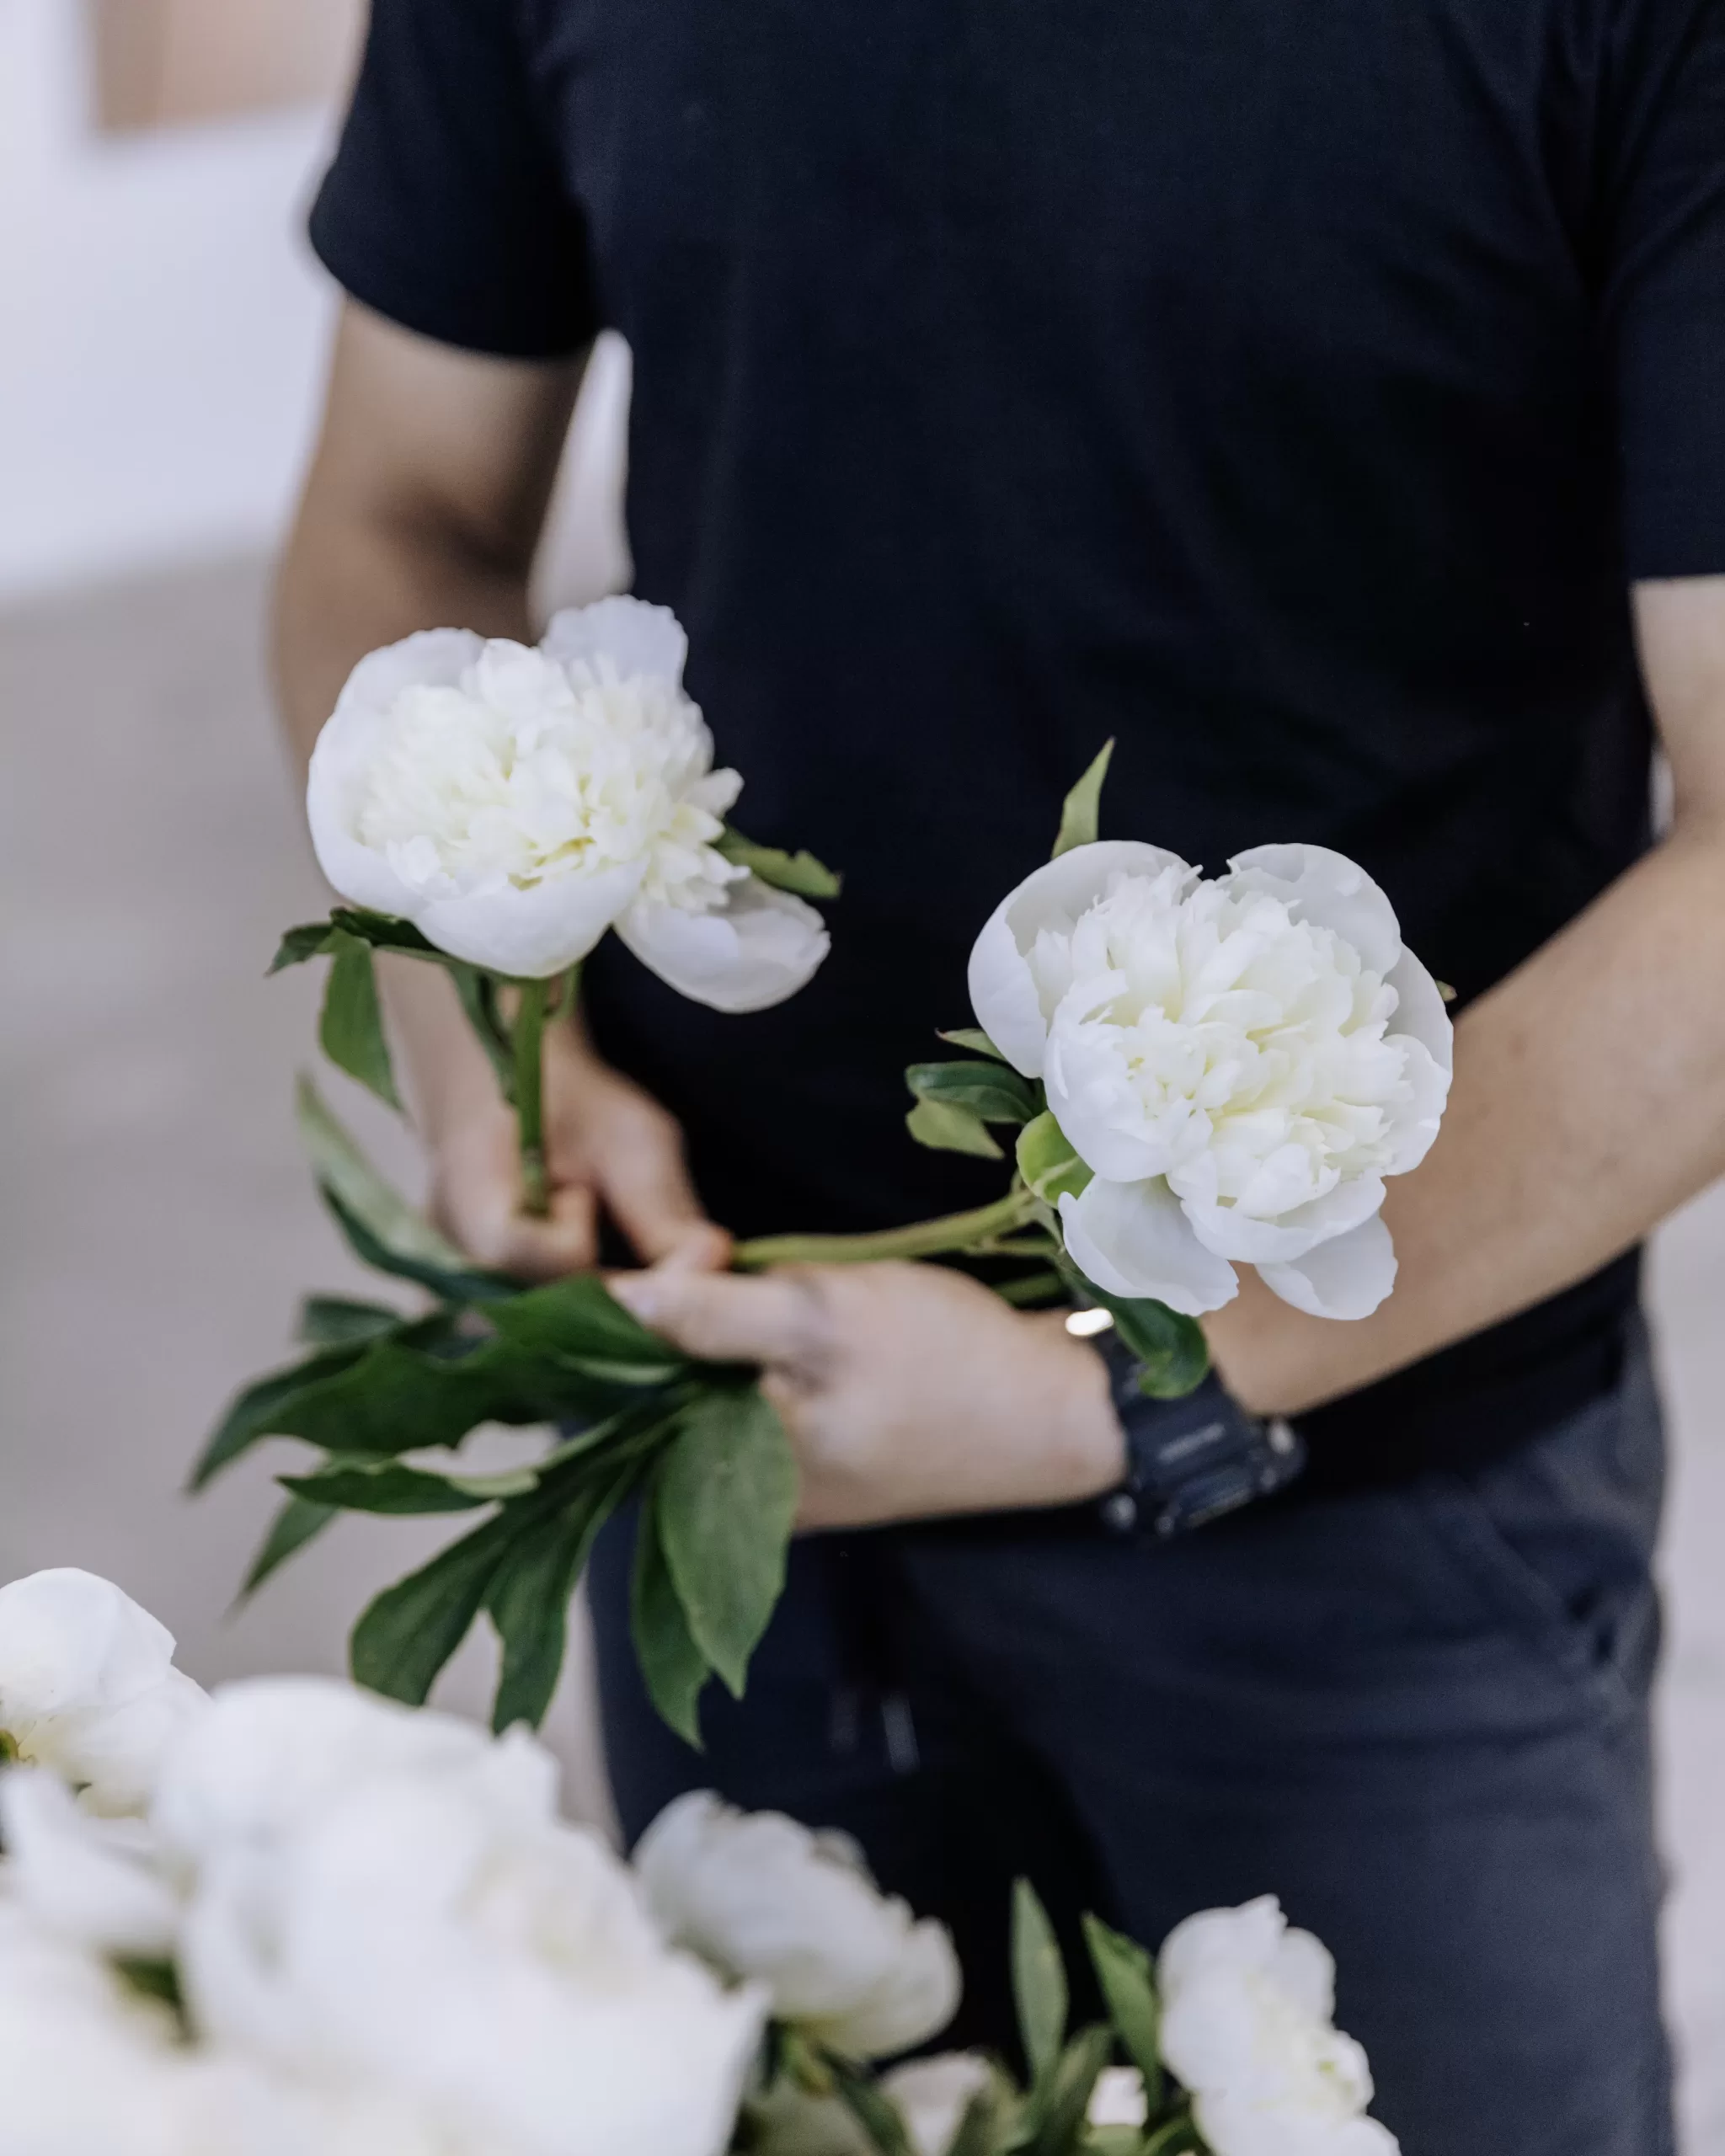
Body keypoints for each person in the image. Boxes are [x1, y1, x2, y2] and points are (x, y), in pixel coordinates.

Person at [275, 2, 1725, 2147]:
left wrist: (1122, 1382)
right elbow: (398, 518)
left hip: (1378, 1526)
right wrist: (490, 1036)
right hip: (732, 1435)